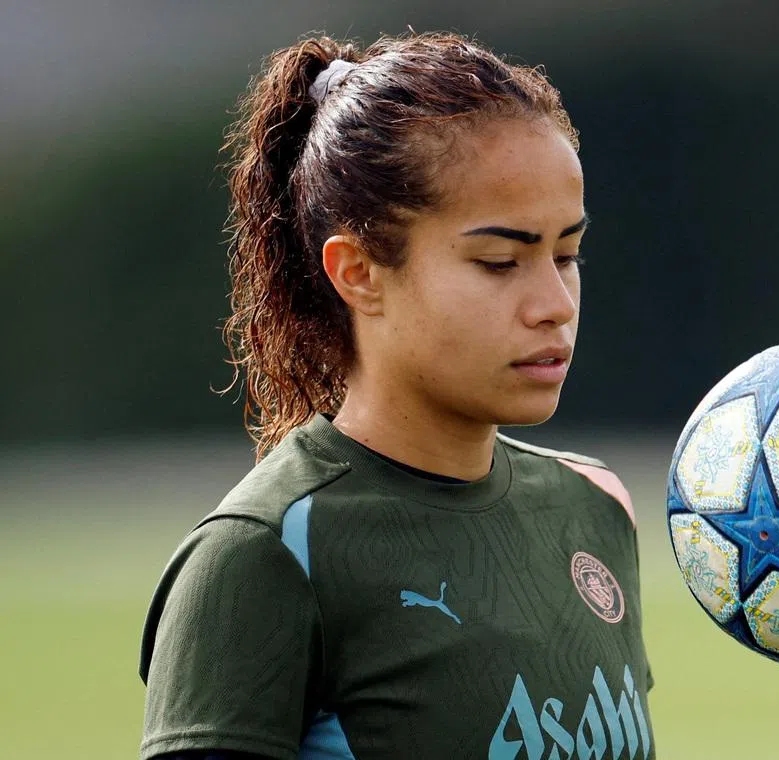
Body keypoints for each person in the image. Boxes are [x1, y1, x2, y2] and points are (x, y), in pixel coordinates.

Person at [137, 31, 655, 760]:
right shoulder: (264, 555)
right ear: (357, 272)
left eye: (566, 254)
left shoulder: (597, 506)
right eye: (500, 261)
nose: (554, 303)